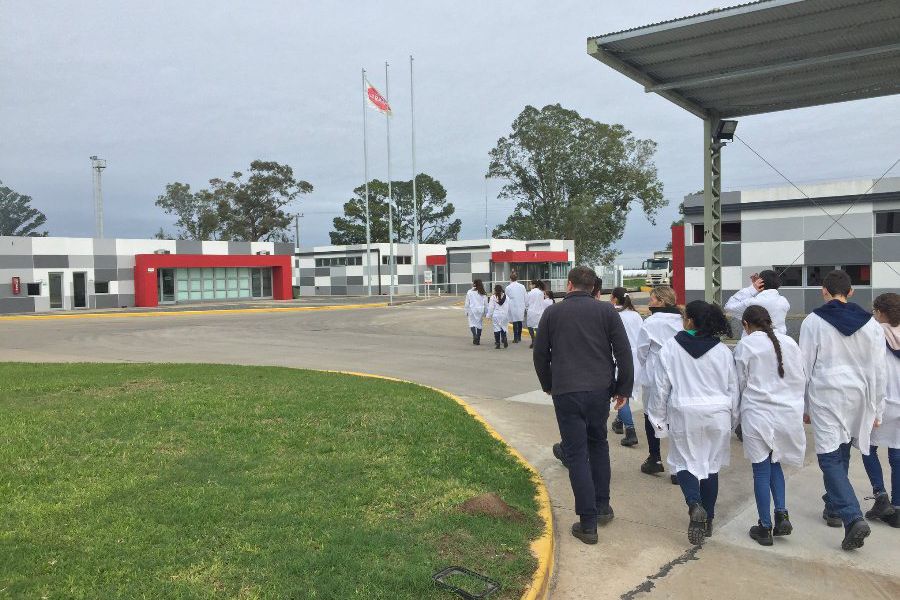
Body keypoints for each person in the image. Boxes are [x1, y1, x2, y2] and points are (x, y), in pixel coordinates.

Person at [533, 266, 633, 545]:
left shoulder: (552, 313)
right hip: (600, 390)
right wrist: (623, 387)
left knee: (576, 454)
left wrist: (548, 383)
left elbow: (541, 353)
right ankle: (603, 506)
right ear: (593, 288)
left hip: (566, 391)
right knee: (598, 443)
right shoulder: (607, 312)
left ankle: (587, 523)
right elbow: (623, 352)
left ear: (569, 285)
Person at [800, 269, 886, 551]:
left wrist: (803, 404)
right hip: (859, 394)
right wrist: (877, 408)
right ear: (851, 293)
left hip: (827, 392)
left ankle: (851, 516)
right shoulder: (872, 324)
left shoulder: (813, 321)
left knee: (828, 456)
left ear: (824, 291)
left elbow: (804, 366)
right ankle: (834, 507)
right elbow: (879, 370)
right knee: (843, 447)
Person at [649, 300, 737, 545]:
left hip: (685, 412)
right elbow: (733, 388)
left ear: (689, 321)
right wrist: (733, 417)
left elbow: (661, 387)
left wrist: (658, 419)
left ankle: (694, 504)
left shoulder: (670, 347)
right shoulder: (722, 351)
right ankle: (707, 520)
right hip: (718, 412)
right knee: (711, 465)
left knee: (684, 461)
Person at [734, 305, 807, 546]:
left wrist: (735, 417)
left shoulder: (746, 345)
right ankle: (782, 513)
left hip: (758, 413)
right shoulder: (790, 343)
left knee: (761, 469)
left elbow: (740, 383)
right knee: (776, 463)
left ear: (746, 325)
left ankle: (764, 526)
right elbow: (801, 378)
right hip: (787, 413)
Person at [861, 292, 900, 527]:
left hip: (882, 402)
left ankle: (880, 495)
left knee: (867, 448)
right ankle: (897, 510)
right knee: (897, 455)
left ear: (880, 312)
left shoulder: (875, 333)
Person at [636, 286, 683, 482]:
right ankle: (678, 468)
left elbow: (641, 351)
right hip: (678, 374)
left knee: (651, 415)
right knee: (675, 418)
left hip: (654, 375)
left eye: (652, 299)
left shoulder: (651, 323)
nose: (649, 302)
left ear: (661, 302)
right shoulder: (682, 320)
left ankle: (655, 457)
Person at [609, 287, 643, 448]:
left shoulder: (613, 315)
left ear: (614, 299)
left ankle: (630, 431)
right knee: (626, 393)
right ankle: (618, 422)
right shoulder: (636, 315)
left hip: (620, 357)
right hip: (637, 359)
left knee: (621, 394)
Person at [724, 270, 790, 337]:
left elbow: (728, 307)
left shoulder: (752, 303)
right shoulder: (784, 302)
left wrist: (752, 289)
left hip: (753, 343)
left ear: (760, 282)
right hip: (779, 342)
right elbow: (767, 298)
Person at [463, 279, 489, 345]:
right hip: (480, 310)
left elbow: (467, 303)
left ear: (474, 284)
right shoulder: (483, 292)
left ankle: (475, 335)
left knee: (472, 324)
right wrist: (486, 313)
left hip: (472, 310)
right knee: (479, 325)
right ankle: (478, 338)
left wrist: (466, 311)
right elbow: (486, 304)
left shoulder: (470, 292)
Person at [505, 272, 527, 343]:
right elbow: (525, 296)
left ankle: (515, 338)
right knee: (520, 321)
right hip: (521, 305)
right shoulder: (522, 286)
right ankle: (519, 337)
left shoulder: (508, 287)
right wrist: (526, 306)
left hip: (512, 306)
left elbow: (506, 297)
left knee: (515, 322)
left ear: (510, 279)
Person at [487, 284, 510, 350]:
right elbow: (508, 307)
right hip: (504, 315)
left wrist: (488, 316)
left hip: (496, 315)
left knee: (496, 329)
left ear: (495, 290)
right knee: (503, 327)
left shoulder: (493, 297)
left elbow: (491, 308)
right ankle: (504, 338)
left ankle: (498, 344)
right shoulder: (506, 297)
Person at [525, 280, 546, 349]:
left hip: (531, 312)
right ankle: (537, 341)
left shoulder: (530, 293)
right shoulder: (541, 292)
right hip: (539, 312)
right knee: (538, 327)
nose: (529, 286)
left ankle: (533, 340)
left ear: (534, 285)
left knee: (530, 327)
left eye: (530, 284)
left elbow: (526, 303)